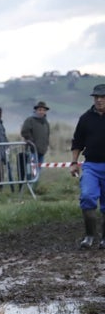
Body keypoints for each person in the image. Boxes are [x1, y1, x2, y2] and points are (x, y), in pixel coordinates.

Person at [70, 84, 105, 249]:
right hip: (91, 165)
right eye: (96, 97)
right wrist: (74, 162)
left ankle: (104, 239)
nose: (99, 100)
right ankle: (90, 236)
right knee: (87, 196)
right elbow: (77, 141)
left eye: (102, 97)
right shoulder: (85, 118)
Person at [21, 101, 51, 176]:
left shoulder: (46, 122)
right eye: (40, 110)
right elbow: (24, 132)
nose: (42, 112)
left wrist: (46, 145)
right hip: (32, 150)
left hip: (42, 150)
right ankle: (29, 186)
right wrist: (31, 142)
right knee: (31, 171)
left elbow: (47, 135)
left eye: (44, 110)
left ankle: (34, 186)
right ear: (36, 110)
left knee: (38, 171)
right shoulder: (30, 120)